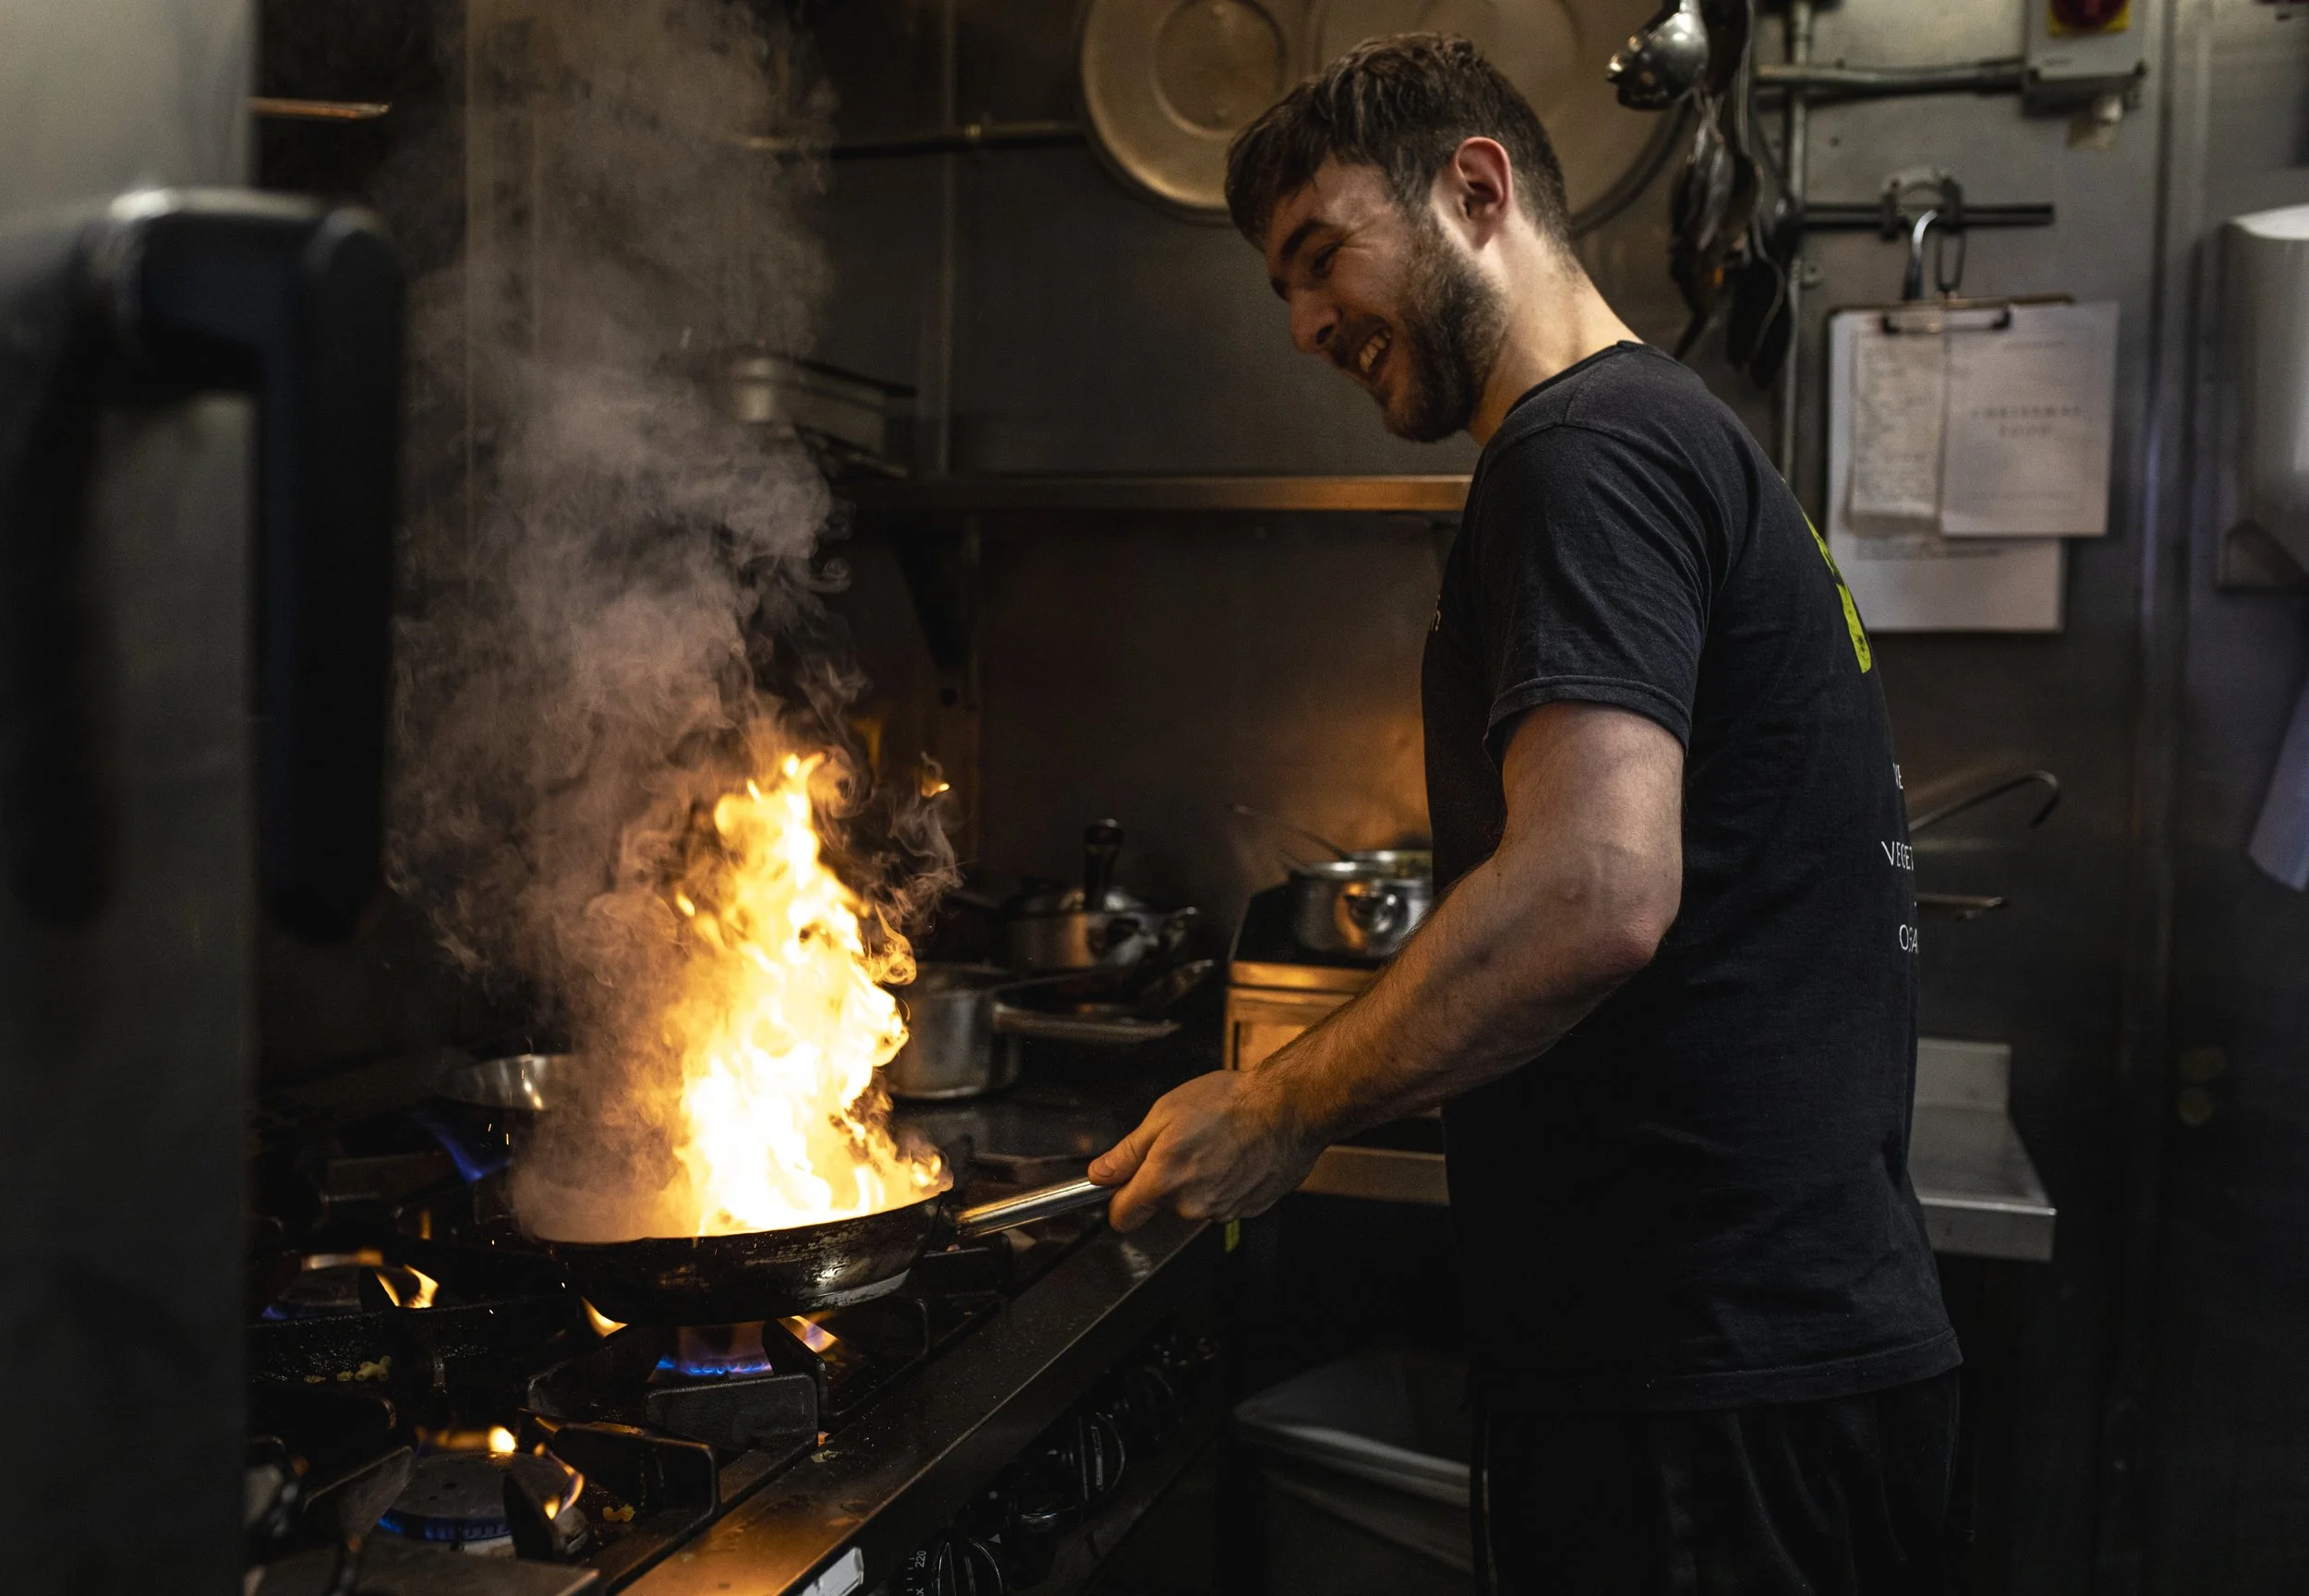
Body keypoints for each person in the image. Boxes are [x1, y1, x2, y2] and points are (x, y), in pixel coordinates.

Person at [1082, 33, 1962, 1594]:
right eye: (1280, 289)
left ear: (1475, 190)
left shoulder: (1580, 453)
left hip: (1696, 1386)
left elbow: (1593, 888)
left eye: (1321, 256)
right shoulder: (1679, 434)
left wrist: (1280, 1108)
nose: (1303, 325)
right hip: (1781, 1359)